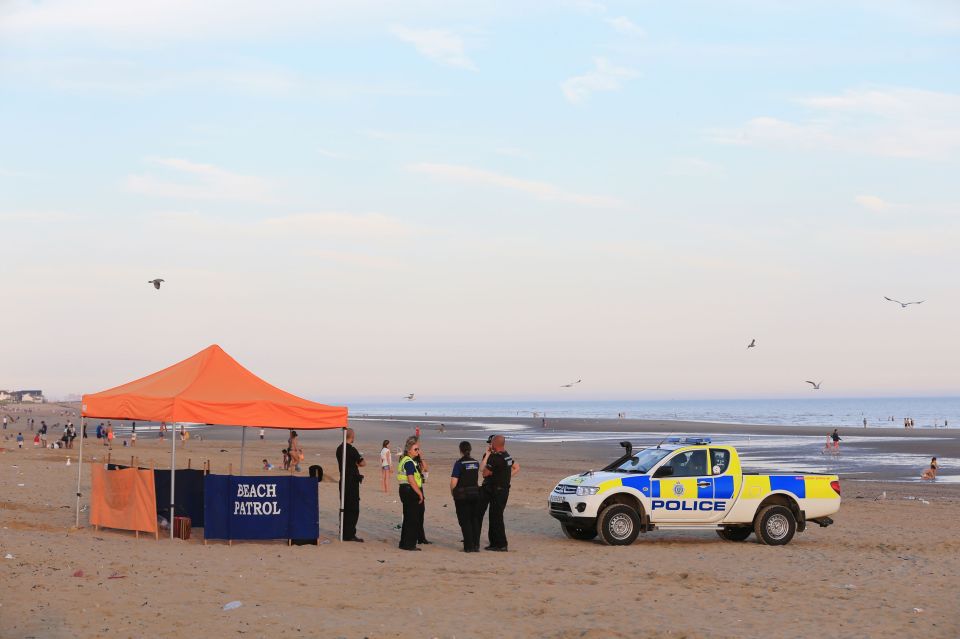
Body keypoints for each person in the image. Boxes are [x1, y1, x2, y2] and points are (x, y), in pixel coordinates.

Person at [478, 434, 520, 552]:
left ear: (494, 444)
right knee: (495, 516)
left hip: (497, 490)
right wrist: (505, 477)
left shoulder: (495, 457)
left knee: (496, 517)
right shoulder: (506, 455)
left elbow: (485, 473)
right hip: (503, 489)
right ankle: (494, 543)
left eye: (490, 443)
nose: (489, 445)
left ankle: (501, 544)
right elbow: (515, 467)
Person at [450, 440, 481, 552]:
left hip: (462, 495)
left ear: (460, 450)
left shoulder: (459, 464)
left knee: (465, 520)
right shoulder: (476, 463)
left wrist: (453, 493)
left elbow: (454, 481)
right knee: (474, 520)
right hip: (475, 493)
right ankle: (476, 545)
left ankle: (468, 546)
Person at [336, 428, 365, 542]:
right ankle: (349, 534)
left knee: (344, 506)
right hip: (351, 481)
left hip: (343, 480)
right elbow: (362, 462)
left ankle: (343, 531)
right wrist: (355, 463)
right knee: (353, 508)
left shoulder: (339, 449)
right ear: (352, 436)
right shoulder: (351, 450)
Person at [396, 436, 425, 551]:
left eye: (418, 449)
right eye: (415, 449)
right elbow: (411, 479)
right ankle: (409, 544)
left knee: (408, 517)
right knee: (412, 518)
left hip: (405, 490)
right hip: (409, 490)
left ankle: (404, 543)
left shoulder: (406, 460)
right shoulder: (408, 462)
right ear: (409, 450)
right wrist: (419, 493)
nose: (418, 451)